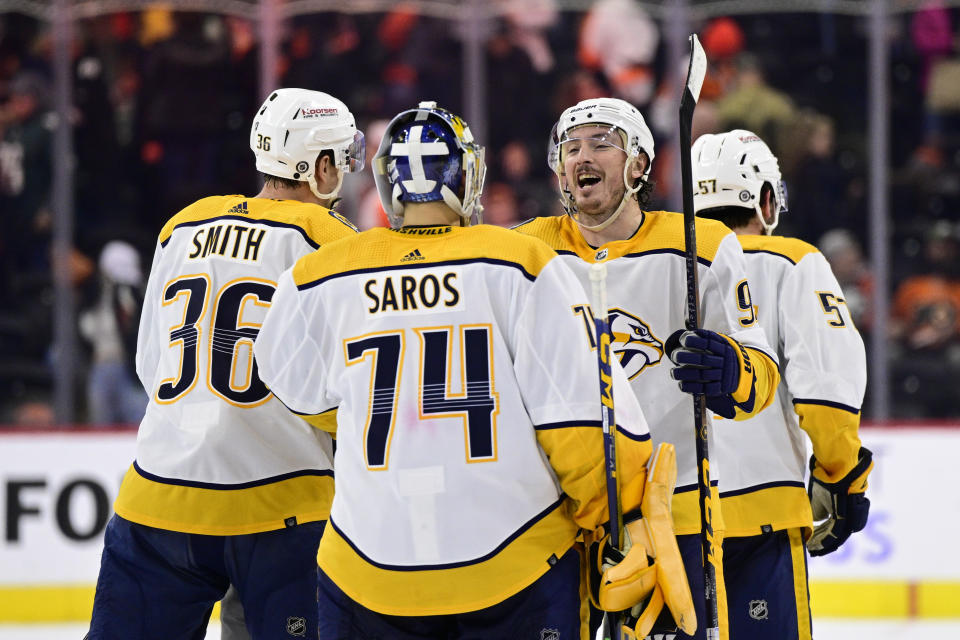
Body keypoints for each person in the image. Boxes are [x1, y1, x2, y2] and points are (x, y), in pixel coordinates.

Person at [254, 101, 695, 640]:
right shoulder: (521, 261)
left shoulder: (320, 272)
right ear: (466, 175)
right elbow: (581, 423)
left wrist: (377, 413)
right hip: (516, 562)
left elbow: (288, 380)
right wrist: (611, 517)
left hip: (366, 569)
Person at [86, 88, 365, 640]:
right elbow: (345, 394)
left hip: (159, 497)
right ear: (322, 165)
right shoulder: (332, 243)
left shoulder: (182, 225)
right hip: (281, 506)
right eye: (342, 157)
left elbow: (151, 364)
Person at [514, 97, 782, 640]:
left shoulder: (701, 245)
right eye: (571, 147)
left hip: (672, 510)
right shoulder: (523, 250)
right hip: (550, 519)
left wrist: (729, 371)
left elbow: (760, 376)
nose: (581, 157)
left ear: (639, 165)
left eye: (601, 143)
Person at [691, 129, 872, 640]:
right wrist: (844, 478)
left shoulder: (651, 265)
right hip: (760, 516)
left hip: (668, 521)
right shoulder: (792, 260)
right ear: (766, 199)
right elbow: (827, 391)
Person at [79, 240, 148, 425]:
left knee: (139, 419)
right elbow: (87, 328)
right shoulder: (96, 295)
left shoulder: (137, 294)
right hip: (102, 362)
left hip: (132, 366)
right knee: (101, 421)